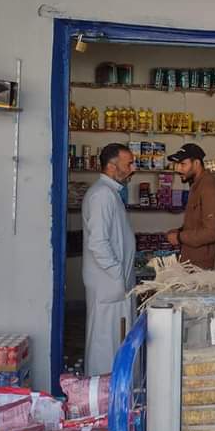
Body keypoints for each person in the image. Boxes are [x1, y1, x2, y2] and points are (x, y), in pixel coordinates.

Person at [81, 143, 136, 376]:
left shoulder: (110, 193)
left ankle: (115, 390)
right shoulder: (102, 195)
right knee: (105, 345)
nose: (133, 169)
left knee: (116, 343)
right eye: (128, 164)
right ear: (112, 166)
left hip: (115, 285)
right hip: (109, 285)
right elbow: (99, 243)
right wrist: (117, 274)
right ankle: (101, 392)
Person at [165, 143, 215, 269]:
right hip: (194, 264)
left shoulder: (209, 188)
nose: (178, 169)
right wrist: (180, 231)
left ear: (196, 163)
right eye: (177, 164)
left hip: (205, 268)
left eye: (183, 164)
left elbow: (212, 232)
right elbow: (198, 223)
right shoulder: (197, 185)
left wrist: (179, 237)